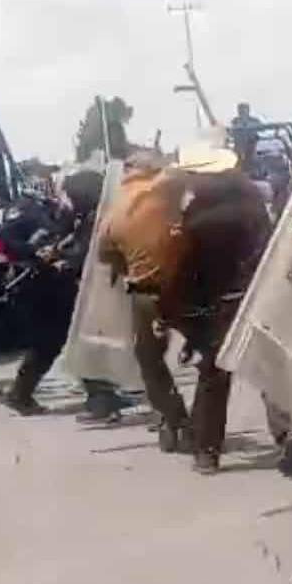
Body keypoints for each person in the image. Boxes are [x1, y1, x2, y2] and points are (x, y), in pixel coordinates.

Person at [159, 143, 272, 475]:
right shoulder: (253, 206)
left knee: (213, 376)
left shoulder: (196, 217)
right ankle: (287, 433)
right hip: (254, 295)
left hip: (216, 304)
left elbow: (185, 271)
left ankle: (207, 451)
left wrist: (176, 314)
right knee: (267, 368)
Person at [97, 153, 193, 452]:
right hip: (188, 289)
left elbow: (104, 251)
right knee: (214, 356)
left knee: (150, 359)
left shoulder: (120, 204)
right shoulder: (172, 192)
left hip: (145, 293)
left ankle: (171, 416)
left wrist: (126, 266)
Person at [3, 171, 103, 417]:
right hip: (48, 286)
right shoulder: (35, 211)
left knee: (67, 342)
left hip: (61, 284)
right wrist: (47, 254)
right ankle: (21, 393)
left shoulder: (73, 214)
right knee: (54, 343)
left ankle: (100, 396)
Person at [230, 102, 263, 167]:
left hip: (251, 149)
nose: (242, 111)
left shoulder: (255, 121)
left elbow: (262, 129)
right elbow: (231, 133)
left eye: (244, 109)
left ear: (248, 110)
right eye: (240, 110)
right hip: (240, 151)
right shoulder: (235, 121)